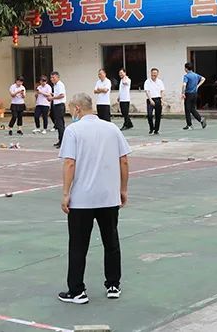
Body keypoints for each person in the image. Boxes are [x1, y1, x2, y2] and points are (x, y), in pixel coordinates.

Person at [57, 93, 131, 305]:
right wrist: (123, 189)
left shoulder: (73, 131)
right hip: (108, 197)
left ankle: (77, 291)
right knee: (111, 242)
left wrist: (65, 193)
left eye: (71, 109)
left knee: (78, 246)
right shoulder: (112, 128)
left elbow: (70, 163)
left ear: (77, 108)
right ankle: (113, 285)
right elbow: (124, 161)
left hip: (82, 199)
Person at [181, 62, 207, 130]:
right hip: (195, 94)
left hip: (188, 94)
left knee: (187, 110)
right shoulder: (195, 75)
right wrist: (197, 86)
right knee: (192, 109)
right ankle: (201, 119)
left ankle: (189, 125)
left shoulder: (186, 76)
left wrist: (183, 93)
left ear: (186, 68)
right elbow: (203, 79)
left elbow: (184, 85)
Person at [49, 71, 67, 148]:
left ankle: (62, 142)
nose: (52, 79)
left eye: (53, 77)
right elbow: (58, 94)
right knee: (58, 124)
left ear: (58, 77)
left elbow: (62, 95)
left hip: (60, 106)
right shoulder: (55, 85)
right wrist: (53, 95)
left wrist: (52, 98)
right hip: (56, 105)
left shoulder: (60, 84)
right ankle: (60, 140)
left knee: (60, 125)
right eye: (51, 77)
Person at [144, 68, 164, 135]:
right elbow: (147, 91)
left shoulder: (160, 81)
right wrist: (150, 100)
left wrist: (161, 100)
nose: (154, 75)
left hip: (158, 99)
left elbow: (161, 91)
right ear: (151, 73)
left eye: (155, 73)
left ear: (157, 74)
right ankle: (151, 128)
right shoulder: (147, 81)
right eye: (153, 73)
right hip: (150, 99)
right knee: (149, 115)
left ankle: (156, 130)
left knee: (158, 115)